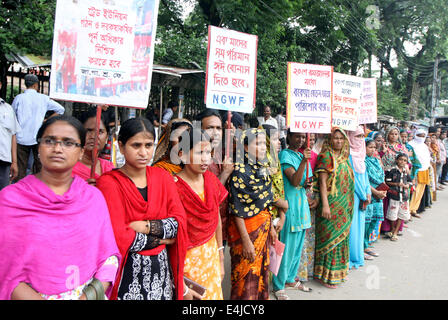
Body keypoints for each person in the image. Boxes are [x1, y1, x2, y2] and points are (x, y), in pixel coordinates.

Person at [0, 115, 120, 300]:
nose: (57, 148)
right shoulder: (11, 200)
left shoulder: (92, 198)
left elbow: (109, 259)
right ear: (38, 148)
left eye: (68, 143)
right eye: (49, 141)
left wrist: (86, 297)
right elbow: (5, 271)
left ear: (81, 152)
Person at [96, 117, 188, 300]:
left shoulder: (163, 177)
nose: (143, 152)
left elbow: (179, 222)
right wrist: (162, 239)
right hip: (127, 274)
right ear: (121, 146)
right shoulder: (108, 183)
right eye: (136, 145)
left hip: (161, 273)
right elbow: (118, 236)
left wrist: (146, 226)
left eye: (148, 145)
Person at [175, 129, 228, 300]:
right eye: (199, 152)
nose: (206, 158)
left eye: (208, 152)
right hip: (185, 261)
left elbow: (216, 220)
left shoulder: (212, 180)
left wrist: (220, 258)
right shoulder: (172, 186)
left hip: (210, 256)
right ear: (182, 155)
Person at [227, 128, 275, 300]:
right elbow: (236, 208)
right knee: (245, 281)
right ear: (245, 148)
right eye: (258, 143)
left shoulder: (262, 168)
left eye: (264, 143)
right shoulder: (239, 172)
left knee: (261, 274)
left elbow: (266, 201)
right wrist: (246, 241)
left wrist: (272, 228)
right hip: (246, 233)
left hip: (263, 227)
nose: (263, 147)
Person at [272, 130, 313, 300]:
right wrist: (304, 161)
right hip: (290, 207)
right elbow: (295, 181)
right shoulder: (285, 156)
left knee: (297, 248)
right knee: (286, 248)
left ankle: (289, 279)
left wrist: (308, 184)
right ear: (289, 137)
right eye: (297, 136)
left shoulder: (301, 156)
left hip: (302, 206)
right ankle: (278, 285)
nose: (301, 140)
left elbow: (304, 182)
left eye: (303, 137)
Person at [313, 128, 354, 289]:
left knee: (341, 240)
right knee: (328, 239)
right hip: (329, 205)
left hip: (343, 207)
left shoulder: (345, 158)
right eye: (335, 138)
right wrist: (325, 205)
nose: (338, 141)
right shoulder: (326, 156)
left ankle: (339, 273)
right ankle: (324, 275)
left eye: (341, 139)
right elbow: (322, 183)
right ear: (330, 140)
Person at [11, 74, 65, 182]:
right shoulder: (43, 98)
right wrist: (46, 121)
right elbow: (61, 109)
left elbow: (12, 116)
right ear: (36, 85)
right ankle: (39, 187)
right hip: (38, 138)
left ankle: (20, 190)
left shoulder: (19, 98)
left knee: (21, 168)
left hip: (21, 138)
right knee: (40, 166)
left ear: (26, 84)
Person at [197, 109, 234, 247]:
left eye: (219, 128)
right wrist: (224, 174)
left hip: (223, 224)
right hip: (205, 228)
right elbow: (205, 193)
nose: (215, 132)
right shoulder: (194, 157)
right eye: (210, 128)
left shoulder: (221, 153)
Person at [348, 126, 371, 268]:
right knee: (352, 226)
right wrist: (363, 194)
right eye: (357, 136)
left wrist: (368, 192)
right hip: (354, 195)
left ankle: (358, 255)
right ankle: (350, 256)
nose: (360, 139)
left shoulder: (362, 153)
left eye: (362, 136)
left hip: (363, 196)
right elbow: (352, 177)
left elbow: (365, 175)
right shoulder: (348, 154)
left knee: (360, 225)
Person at [72, 108, 114, 184]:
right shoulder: (69, 168)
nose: (94, 136)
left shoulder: (109, 168)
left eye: (100, 132)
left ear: (107, 137)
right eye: (88, 131)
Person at [364, 138, 386, 256]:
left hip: (379, 194)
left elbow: (382, 176)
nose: (373, 150)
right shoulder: (362, 161)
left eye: (374, 147)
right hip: (369, 193)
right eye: (370, 147)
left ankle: (367, 242)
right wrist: (375, 192)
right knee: (366, 221)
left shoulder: (376, 161)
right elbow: (364, 180)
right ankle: (363, 245)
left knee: (374, 220)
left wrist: (382, 191)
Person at [385, 153, 412, 241]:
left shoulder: (405, 171)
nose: (402, 162)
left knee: (401, 214)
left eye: (405, 161)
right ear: (396, 160)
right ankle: (393, 229)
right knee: (392, 214)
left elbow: (410, 181)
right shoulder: (392, 170)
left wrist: (408, 185)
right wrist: (397, 184)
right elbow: (387, 182)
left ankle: (395, 232)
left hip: (404, 197)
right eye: (401, 159)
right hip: (394, 196)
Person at [0, 80, 20, 190]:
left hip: (3, 161)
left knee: (2, 195)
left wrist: (14, 162)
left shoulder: (8, 109)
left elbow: (13, 135)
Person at [408, 129, 431, 218]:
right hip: (416, 170)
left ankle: (414, 209)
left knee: (421, 190)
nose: (421, 137)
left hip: (425, 169)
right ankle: (409, 210)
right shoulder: (411, 144)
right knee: (414, 190)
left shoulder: (424, 146)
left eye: (423, 136)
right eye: (419, 135)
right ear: (415, 135)